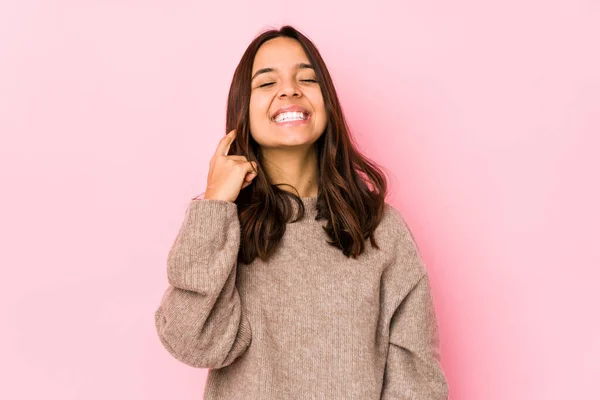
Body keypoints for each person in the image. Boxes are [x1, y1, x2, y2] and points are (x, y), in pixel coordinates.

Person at [154, 25, 449, 399]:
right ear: (242, 110)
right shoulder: (224, 230)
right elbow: (191, 342)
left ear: (327, 103)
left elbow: (417, 380)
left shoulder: (380, 228)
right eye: (266, 83)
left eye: (307, 78)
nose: (290, 89)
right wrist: (215, 204)